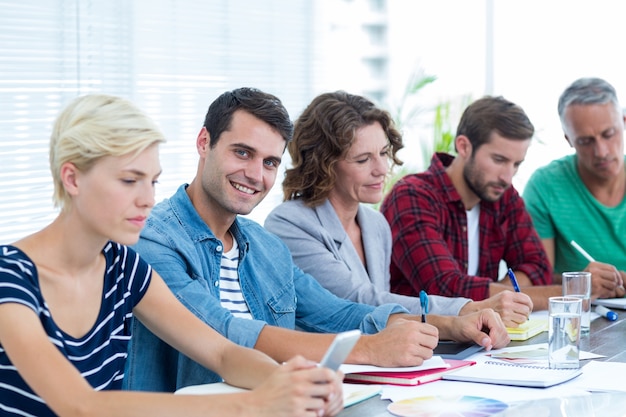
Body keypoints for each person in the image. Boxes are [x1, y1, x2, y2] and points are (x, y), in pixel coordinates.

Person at [125, 87, 510, 393]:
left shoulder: (264, 248)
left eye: (270, 162)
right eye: (242, 152)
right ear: (204, 142)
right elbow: (222, 332)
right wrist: (369, 349)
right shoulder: (153, 239)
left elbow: (338, 312)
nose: (255, 174)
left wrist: (449, 324)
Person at [0, 94, 344, 417]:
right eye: (129, 180)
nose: (147, 199)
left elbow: (222, 353)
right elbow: (79, 406)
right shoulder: (10, 277)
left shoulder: (123, 268)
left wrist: (290, 381)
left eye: (152, 182)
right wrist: (255, 404)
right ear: (72, 179)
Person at [264, 91, 532, 327]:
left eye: (383, 153)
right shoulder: (289, 223)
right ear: (324, 165)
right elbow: (359, 302)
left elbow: (383, 318)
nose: (381, 169)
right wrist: (467, 308)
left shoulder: (375, 225)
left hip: (375, 363)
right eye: (363, 159)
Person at [380, 96, 559, 311]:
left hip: (483, 337)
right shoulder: (412, 196)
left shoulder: (503, 196)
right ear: (464, 147)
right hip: (423, 338)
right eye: (499, 160)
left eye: (516, 164)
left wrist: (497, 298)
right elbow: (444, 289)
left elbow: (538, 269)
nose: (507, 177)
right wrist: (504, 298)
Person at [523, 77, 625, 299]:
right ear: (569, 139)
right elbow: (541, 277)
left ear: (624, 121)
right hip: (586, 318)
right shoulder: (545, 187)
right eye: (586, 141)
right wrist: (582, 282)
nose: (602, 151)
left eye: (609, 134)